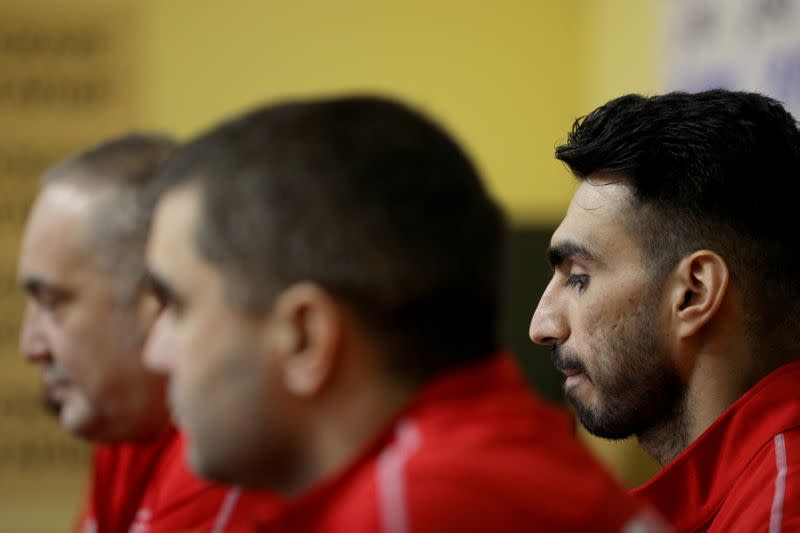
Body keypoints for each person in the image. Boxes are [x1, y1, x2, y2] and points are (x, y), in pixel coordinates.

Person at [143, 95, 665, 532]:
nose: (154, 354)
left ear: (304, 337)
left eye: (177, 308)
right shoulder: (465, 459)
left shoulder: (419, 505)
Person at [530, 89, 800, 531]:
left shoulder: (780, 510)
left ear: (693, 293)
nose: (541, 325)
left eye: (578, 276)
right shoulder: (730, 500)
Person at [18, 134, 280, 533]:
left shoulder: (223, 461)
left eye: (53, 303)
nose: (30, 345)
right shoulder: (126, 427)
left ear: (156, 298)